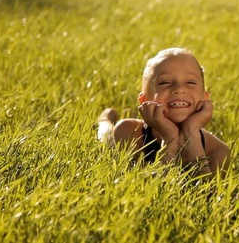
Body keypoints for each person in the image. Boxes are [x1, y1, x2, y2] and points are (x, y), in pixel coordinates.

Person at [97, 47, 230, 178]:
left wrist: (191, 133)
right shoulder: (129, 131)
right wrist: (170, 139)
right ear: (144, 100)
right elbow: (148, 187)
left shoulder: (218, 151)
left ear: (204, 98)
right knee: (106, 136)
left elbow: (206, 193)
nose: (179, 89)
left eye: (190, 82)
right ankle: (104, 120)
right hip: (120, 134)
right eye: (165, 82)